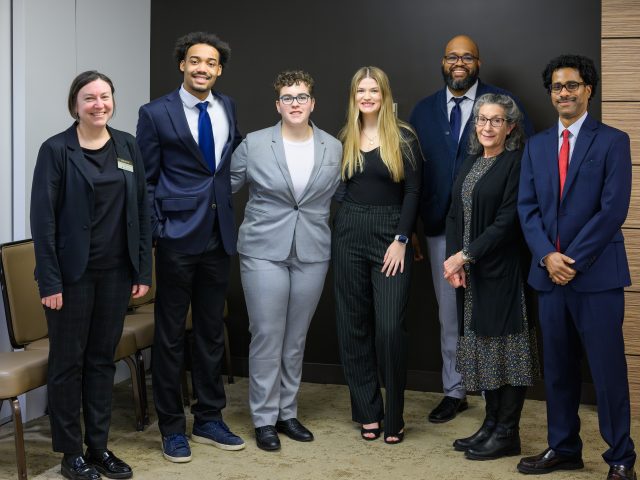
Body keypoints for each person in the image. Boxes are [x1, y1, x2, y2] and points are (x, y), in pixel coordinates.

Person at [517, 54, 636, 480]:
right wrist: (548, 256)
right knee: (560, 370)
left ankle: (621, 457)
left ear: (588, 89)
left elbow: (612, 210)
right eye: (556, 87)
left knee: (607, 373)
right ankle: (564, 447)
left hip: (597, 276)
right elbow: (526, 210)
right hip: (549, 277)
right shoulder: (536, 145)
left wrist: (572, 261)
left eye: (571, 85)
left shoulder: (613, 141)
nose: (563, 93)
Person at [30, 70, 152, 480]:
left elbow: (140, 211)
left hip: (117, 274)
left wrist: (141, 267)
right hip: (71, 277)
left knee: (102, 361)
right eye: (89, 98)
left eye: (105, 96)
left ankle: (98, 447)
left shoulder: (127, 146)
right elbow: (43, 221)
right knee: (68, 363)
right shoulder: (57, 150)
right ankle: (70, 454)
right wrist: (49, 282)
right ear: (75, 105)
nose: (98, 104)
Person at [409, 34, 534, 423]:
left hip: (493, 237)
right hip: (441, 230)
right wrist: (412, 227)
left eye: (467, 57)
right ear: (442, 61)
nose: (458, 63)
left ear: (478, 62)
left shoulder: (503, 104)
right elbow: (414, 171)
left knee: (494, 321)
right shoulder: (424, 110)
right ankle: (455, 390)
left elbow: (520, 169)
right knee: (453, 315)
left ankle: (496, 412)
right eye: (451, 56)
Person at [136, 31, 244, 463]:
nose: (203, 68)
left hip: (219, 235)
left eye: (212, 63)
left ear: (219, 69)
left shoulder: (228, 107)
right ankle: (171, 428)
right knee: (169, 336)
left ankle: (209, 417)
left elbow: (221, 168)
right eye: (195, 61)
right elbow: (144, 182)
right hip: (177, 237)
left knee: (210, 332)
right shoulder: (155, 112)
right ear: (182, 64)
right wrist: (158, 231)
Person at [230, 70, 342, 451]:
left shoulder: (333, 146)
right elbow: (223, 186)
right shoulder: (255, 144)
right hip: (263, 250)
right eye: (288, 97)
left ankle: (287, 413)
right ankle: (263, 418)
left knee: (295, 339)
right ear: (277, 105)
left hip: (312, 251)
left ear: (313, 103)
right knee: (266, 335)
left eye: (302, 97)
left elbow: (345, 195)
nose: (296, 103)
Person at [443, 93, 538, 461]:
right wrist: (456, 262)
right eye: (482, 119)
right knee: (482, 349)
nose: (487, 126)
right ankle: (490, 424)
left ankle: (507, 433)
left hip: (503, 272)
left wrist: (465, 255)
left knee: (507, 350)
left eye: (496, 120)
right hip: (470, 274)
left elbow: (508, 221)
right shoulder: (469, 162)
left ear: (510, 126)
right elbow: (454, 214)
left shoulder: (516, 163)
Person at [333, 66, 422, 445]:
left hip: (391, 234)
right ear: (353, 97)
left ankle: (395, 416)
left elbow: (414, 192)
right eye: (360, 91)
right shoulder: (345, 138)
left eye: (374, 90)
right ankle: (368, 411)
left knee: (389, 328)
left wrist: (402, 238)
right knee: (353, 326)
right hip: (350, 231)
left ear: (385, 94)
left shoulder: (404, 138)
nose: (367, 96)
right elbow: (339, 192)